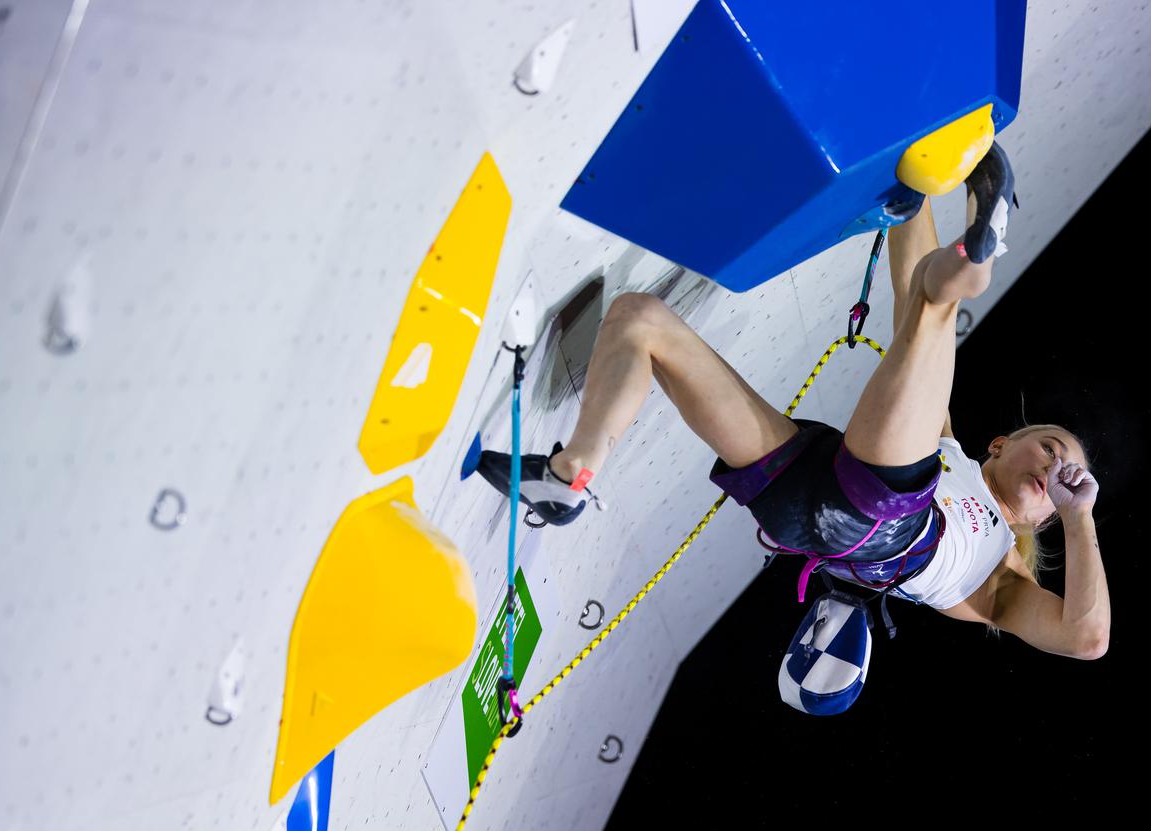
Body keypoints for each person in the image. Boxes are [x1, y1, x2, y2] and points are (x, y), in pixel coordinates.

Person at [475, 143, 1110, 660]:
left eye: (1063, 481)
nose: (1056, 471)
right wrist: (917, 170)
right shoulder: (943, 450)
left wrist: (1080, 515)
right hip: (805, 494)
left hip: (883, 519)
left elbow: (1088, 639)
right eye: (1052, 449)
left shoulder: (1000, 580)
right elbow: (906, 292)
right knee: (638, 320)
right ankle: (572, 475)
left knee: (937, 307)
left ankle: (977, 261)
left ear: (1043, 521)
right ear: (1000, 444)